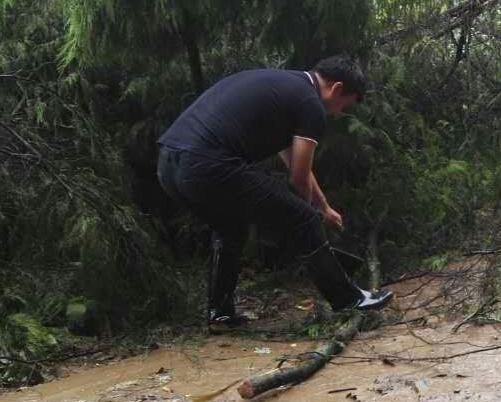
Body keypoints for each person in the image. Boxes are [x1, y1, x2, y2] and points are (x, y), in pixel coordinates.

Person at [157, 57, 392, 326]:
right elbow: (297, 178)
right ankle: (348, 299)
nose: (337, 112)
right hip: (207, 164)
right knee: (302, 218)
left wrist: (323, 207)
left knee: (230, 228)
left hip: (168, 166)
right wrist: (307, 216)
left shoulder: (285, 88)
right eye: (344, 104)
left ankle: (219, 314)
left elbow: (294, 162)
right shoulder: (310, 104)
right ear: (336, 88)